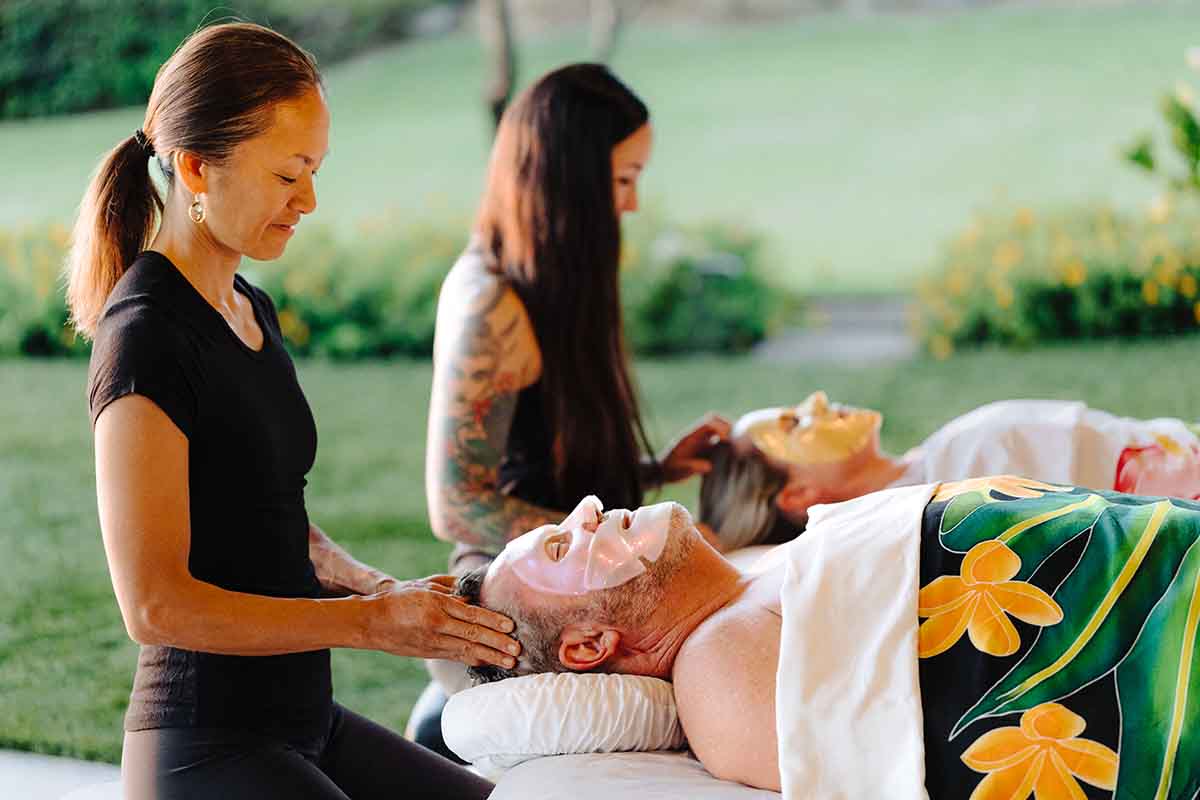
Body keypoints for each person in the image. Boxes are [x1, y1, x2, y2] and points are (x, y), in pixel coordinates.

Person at [69, 22, 518, 799]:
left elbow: (268, 517)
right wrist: (371, 626)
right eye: (288, 174)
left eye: (314, 169)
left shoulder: (247, 307)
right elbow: (154, 604)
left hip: (306, 720)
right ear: (196, 168)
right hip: (205, 745)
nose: (308, 199)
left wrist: (380, 589)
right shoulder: (145, 336)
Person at [456, 486, 1200, 798]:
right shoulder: (720, 669)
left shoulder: (754, 580)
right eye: (559, 548)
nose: (587, 508)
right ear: (588, 647)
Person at [417, 62, 728, 748]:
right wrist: (622, 554)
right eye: (623, 180)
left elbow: (539, 451)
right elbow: (458, 501)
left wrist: (651, 469)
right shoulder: (488, 304)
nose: (633, 204)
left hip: (582, 575)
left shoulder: (542, 280)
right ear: (570, 183)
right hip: (532, 601)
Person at [700, 392, 1200, 550]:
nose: (818, 401)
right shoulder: (945, 503)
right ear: (798, 494)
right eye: (794, 424)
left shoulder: (936, 461)